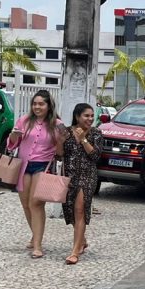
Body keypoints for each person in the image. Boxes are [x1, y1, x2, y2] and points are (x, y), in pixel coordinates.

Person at [7, 90, 64, 258]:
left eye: (41, 104)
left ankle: (38, 245)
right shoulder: (24, 120)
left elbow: (61, 153)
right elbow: (12, 144)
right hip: (23, 166)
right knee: (26, 204)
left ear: (49, 106)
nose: (37, 107)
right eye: (34, 104)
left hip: (43, 166)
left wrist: (61, 141)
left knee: (36, 204)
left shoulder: (58, 124)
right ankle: (35, 235)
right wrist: (14, 135)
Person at [60, 103, 101, 265]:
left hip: (87, 176)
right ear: (77, 117)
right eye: (86, 116)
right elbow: (58, 154)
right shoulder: (66, 132)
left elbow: (95, 156)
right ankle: (82, 240)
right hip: (69, 176)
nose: (90, 119)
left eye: (92, 116)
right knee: (70, 211)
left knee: (80, 210)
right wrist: (60, 141)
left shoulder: (96, 133)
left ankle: (75, 251)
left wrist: (83, 139)